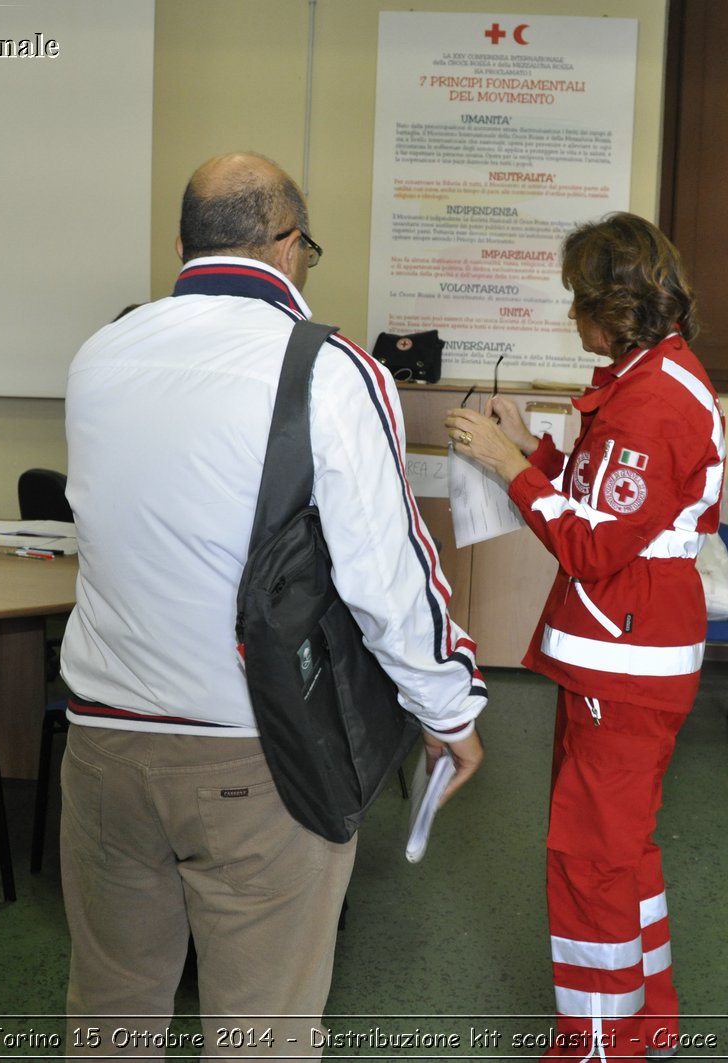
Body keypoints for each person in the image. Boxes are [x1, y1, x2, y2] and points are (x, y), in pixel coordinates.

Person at [60, 151, 486, 1058]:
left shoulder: (100, 354)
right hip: (257, 757)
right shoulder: (331, 370)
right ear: (290, 247)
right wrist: (450, 712)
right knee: (263, 1030)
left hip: (101, 747)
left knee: (109, 1015)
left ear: (181, 245)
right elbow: (388, 579)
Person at [444, 212, 724, 1061]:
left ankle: (600, 1046)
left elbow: (595, 544)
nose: (572, 319)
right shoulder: (648, 378)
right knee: (624, 850)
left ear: (617, 308)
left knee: (590, 858)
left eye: (578, 303)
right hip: (623, 655)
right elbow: (610, 497)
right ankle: (648, 1018)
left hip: (624, 663)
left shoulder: (653, 401)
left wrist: (508, 465)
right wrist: (533, 445)